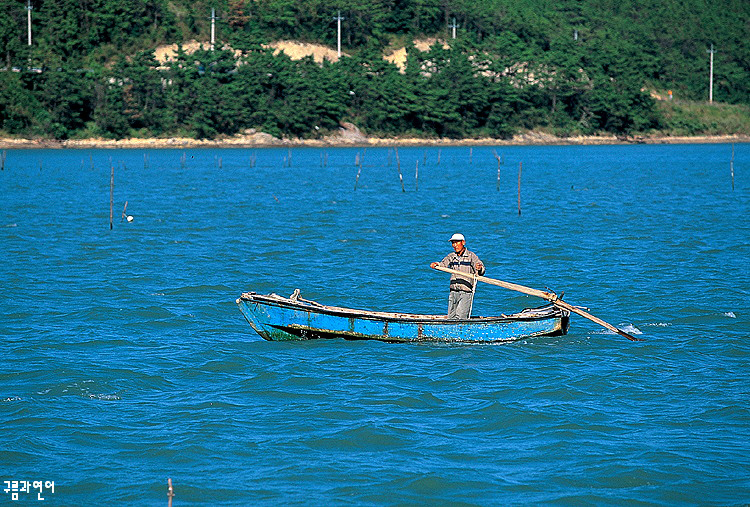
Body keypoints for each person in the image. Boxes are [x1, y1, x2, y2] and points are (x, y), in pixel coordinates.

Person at [430, 233, 485, 319]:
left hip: (465, 292)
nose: (454, 245)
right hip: (453, 292)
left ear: (463, 242)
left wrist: (479, 267)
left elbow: (480, 268)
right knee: (451, 317)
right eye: (453, 243)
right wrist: (436, 264)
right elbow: (443, 264)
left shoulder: (471, 256)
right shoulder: (452, 256)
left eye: (456, 242)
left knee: (460, 317)